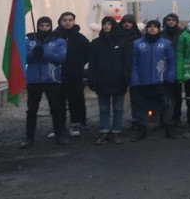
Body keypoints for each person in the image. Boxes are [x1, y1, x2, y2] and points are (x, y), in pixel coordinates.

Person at [20, 17, 67, 148]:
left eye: (47, 26)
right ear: (38, 26)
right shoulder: (29, 41)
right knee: (31, 110)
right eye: (42, 26)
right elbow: (22, 59)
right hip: (34, 80)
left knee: (56, 108)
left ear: (51, 26)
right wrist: (33, 53)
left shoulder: (59, 41)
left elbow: (61, 58)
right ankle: (29, 138)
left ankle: (59, 135)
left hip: (52, 79)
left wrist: (44, 52)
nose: (44, 28)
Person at [130, 20, 176, 141]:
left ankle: (168, 129)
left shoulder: (166, 44)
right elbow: (133, 64)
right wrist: (135, 80)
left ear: (159, 29)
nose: (152, 29)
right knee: (142, 107)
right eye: (150, 27)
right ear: (146, 29)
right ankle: (142, 130)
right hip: (143, 82)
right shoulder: (137, 44)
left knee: (165, 105)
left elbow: (172, 62)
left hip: (161, 81)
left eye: (155, 27)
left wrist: (170, 78)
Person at [88, 17, 132, 145]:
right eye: (104, 24)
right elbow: (92, 62)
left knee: (118, 108)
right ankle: (104, 131)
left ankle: (116, 131)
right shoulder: (96, 43)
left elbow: (127, 62)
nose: (106, 26)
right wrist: (91, 77)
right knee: (103, 108)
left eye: (109, 24)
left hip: (118, 80)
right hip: (102, 80)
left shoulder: (123, 43)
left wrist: (126, 77)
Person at [54, 12, 90, 137]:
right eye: (65, 20)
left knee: (75, 100)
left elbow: (88, 53)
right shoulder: (54, 36)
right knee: (57, 102)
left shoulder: (80, 38)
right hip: (57, 75)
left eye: (70, 20)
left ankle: (76, 123)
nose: (67, 22)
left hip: (74, 75)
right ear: (60, 21)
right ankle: (59, 126)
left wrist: (78, 65)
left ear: (74, 21)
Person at [118, 14, 142, 130]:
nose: (127, 24)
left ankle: (136, 120)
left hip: (134, 69)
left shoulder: (138, 37)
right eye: (125, 22)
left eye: (129, 22)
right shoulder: (117, 36)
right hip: (119, 69)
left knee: (136, 98)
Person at [161, 13, 184, 127]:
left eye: (173, 20)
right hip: (163, 68)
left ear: (176, 21)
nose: (171, 22)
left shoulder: (182, 34)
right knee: (163, 95)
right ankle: (164, 118)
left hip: (178, 67)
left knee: (177, 95)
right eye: (169, 19)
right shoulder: (161, 35)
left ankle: (176, 117)